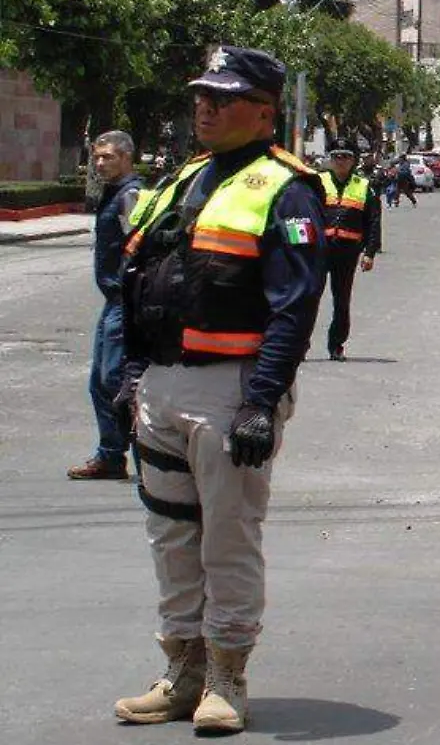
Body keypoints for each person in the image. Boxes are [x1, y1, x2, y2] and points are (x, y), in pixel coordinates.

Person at [110, 46, 327, 732]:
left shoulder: (287, 187)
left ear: (264, 112)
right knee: (170, 536)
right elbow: (137, 279)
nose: (206, 106)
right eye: (202, 94)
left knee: (226, 537)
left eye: (223, 97)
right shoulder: (184, 178)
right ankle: (182, 672)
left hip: (228, 389)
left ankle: (227, 679)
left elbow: (295, 305)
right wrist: (132, 374)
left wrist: (262, 401)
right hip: (165, 385)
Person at [68, 131, 144, 480]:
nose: (99, 163)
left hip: (126, 300)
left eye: (107, 157)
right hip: (112, 300)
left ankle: (147, 452)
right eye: (96, 157)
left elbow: (143, 247)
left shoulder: (131, 195)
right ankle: (111, 455)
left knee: (116, 379)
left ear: (127, 157)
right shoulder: (113, 193)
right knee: (100, 381)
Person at [317, 147, 382, 361]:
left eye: (345, 157)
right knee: (307, 297)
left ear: (353, 161)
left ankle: (336, 345)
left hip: (347, 251)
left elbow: (373, 221)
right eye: (336, 156)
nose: (340, 161)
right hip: (318, 250)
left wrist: (370, 252)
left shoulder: (363, 186)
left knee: (342, 300)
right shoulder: (317, 182)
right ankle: (300, 344)